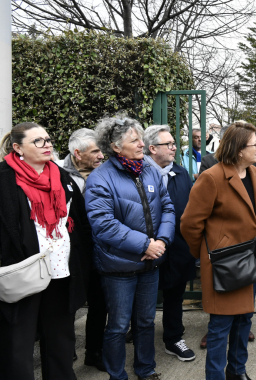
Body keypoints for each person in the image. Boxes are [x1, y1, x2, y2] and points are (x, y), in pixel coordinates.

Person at [0, 122, 93, 379]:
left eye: (48, 139)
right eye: (38, 141)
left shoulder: (61, 176)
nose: (47, 144)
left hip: (60, 270)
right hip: (23, 273)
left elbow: (79, 223)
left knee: (61, 340)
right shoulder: (5, 178)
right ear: (17, 148)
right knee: (18, 343)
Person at [85, 115, 175, 380]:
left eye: (140, 138)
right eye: (133, 140)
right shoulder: (100, 178)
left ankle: (145, 370)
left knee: (146, 322)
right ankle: (118, 375)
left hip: (150, 264)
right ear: (115, 146)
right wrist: (146, 244)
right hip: (118, 267)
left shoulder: (149, 168)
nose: (140, 144)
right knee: (118, 326)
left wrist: (162, 242)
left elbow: (168, 207)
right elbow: (104, 225)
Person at [180, 122, 256, 380]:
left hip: (249, 261)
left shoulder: (252, 173)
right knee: (220, 327)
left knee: (244, 322)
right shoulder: (212, 177)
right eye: (254, 144)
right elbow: (189, 223)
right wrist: (207, 254)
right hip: (224, 266)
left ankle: (237, 371)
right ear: (239, 149)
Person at [143, 125, 196, 362]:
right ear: (152, 148)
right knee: (142, 296)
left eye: (174, 143)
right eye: (169, 144)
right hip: (146, 248)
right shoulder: (137, 172)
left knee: (174, 295)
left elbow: (188, 208)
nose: (175, 148)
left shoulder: (181, 173)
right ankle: (139, 334)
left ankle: (174, 338)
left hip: (178, 248)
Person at [61, 128, 107, 372]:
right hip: (70, 252)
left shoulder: (105, 173)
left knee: (99, 304)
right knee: (68, 304)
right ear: (77, 154)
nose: (102, 156)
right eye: (96, 151)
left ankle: (94, 352)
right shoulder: (57, 173)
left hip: (99, 248)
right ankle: (65, 352)